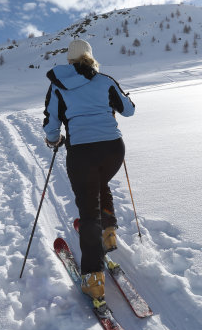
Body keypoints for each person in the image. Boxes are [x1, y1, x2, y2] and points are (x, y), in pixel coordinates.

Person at [42, 39, 135, 307]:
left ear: (69, 61)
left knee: (87, 212)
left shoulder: (58, 85)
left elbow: (51, 122)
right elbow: (128, 110)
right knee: (100, 183)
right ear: (90, 58)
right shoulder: (105, 80)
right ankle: (108, 233)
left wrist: (53, 139)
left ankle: (93, 281)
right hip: (113, 150)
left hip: (82, 153)